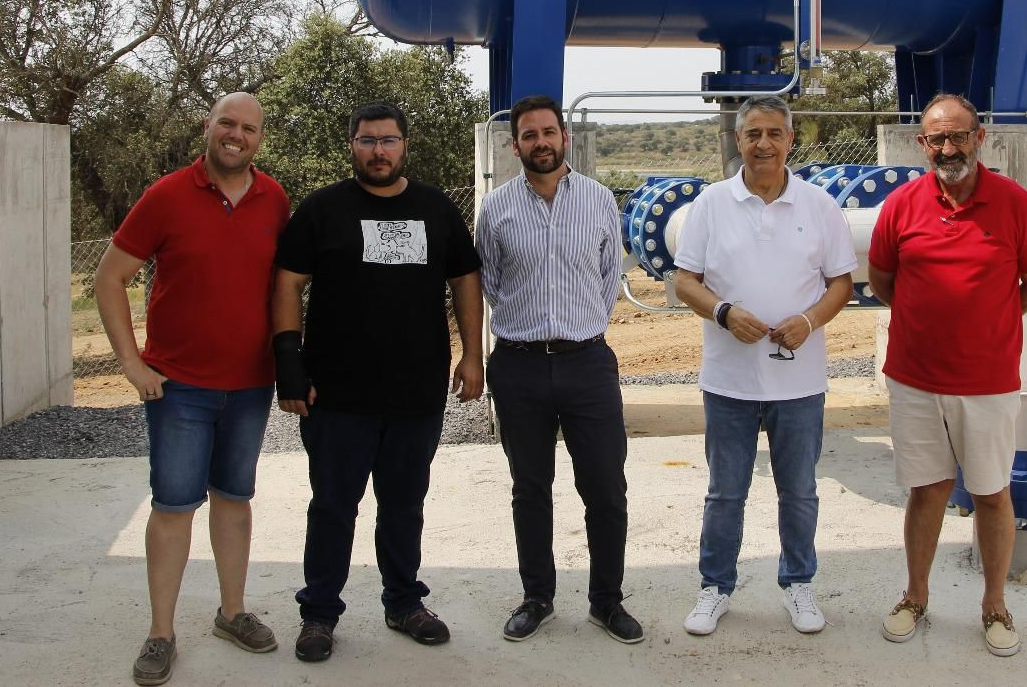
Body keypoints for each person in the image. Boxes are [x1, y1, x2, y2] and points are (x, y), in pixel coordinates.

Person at [271, 102, 484, 664]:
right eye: (367, 141)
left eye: (389, 141)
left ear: (405, 145)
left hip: (416, 394)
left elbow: (465, 280)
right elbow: (288, 282)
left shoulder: (436, 208)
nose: (379, 151)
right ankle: (318, 614)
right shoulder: (323, 209)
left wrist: (471, 355)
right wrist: (288, 362)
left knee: (404, 505)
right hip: (337, 396)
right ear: (352, 146)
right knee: (334, 508)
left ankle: (404, 603)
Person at [95, 92, 290, 687]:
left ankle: (231, 613)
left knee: (234, 500)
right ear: (208, 128)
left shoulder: (274, 199)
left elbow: (289, 286)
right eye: (227, 124)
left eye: (248, 128)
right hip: (179, 389)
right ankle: (161, 633)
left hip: (252, 386)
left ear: (259, 139)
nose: (237, 135)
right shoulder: (167, 196)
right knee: (173, 507)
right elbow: (109, 278)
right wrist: (131, 363)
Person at [866, 92, 1027, 658]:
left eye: (958, 136)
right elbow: (882, 281)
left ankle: (995, 605)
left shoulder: (1017, 205)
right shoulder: (901, 205)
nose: (948, 148)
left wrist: (984, 323)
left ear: (980, 138)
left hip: (989, 381)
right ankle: (915, 597)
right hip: (915, 379)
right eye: (936, 139)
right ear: (922, 145)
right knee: (927, 491)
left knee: (993, 493)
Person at [671, 94, 856, 637]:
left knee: (798, 490)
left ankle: (799, 583)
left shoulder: (819, 206)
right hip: (729, 382)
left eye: (775, 133)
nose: (764, 144)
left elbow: (841, 282)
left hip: (798, 383)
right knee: (725, 491)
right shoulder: (711, 204)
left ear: (790, 140)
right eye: (753, 134)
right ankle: (715, 587)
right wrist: (724, 313)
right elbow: (685, 280)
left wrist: (810, 320)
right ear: (738, 140)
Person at [474, 94, 643, 645]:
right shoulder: (495, 208)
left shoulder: (598, 200)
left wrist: (579, 328)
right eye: (529, 135)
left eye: (549, 132)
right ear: (515, 143)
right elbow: (489, 282)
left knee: (605, 487)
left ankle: (607, 600)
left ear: (563, 137)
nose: (540, 142)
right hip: (519, 367)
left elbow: (605, 278)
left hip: (587, 363)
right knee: (530, 487)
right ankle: (536, 596)